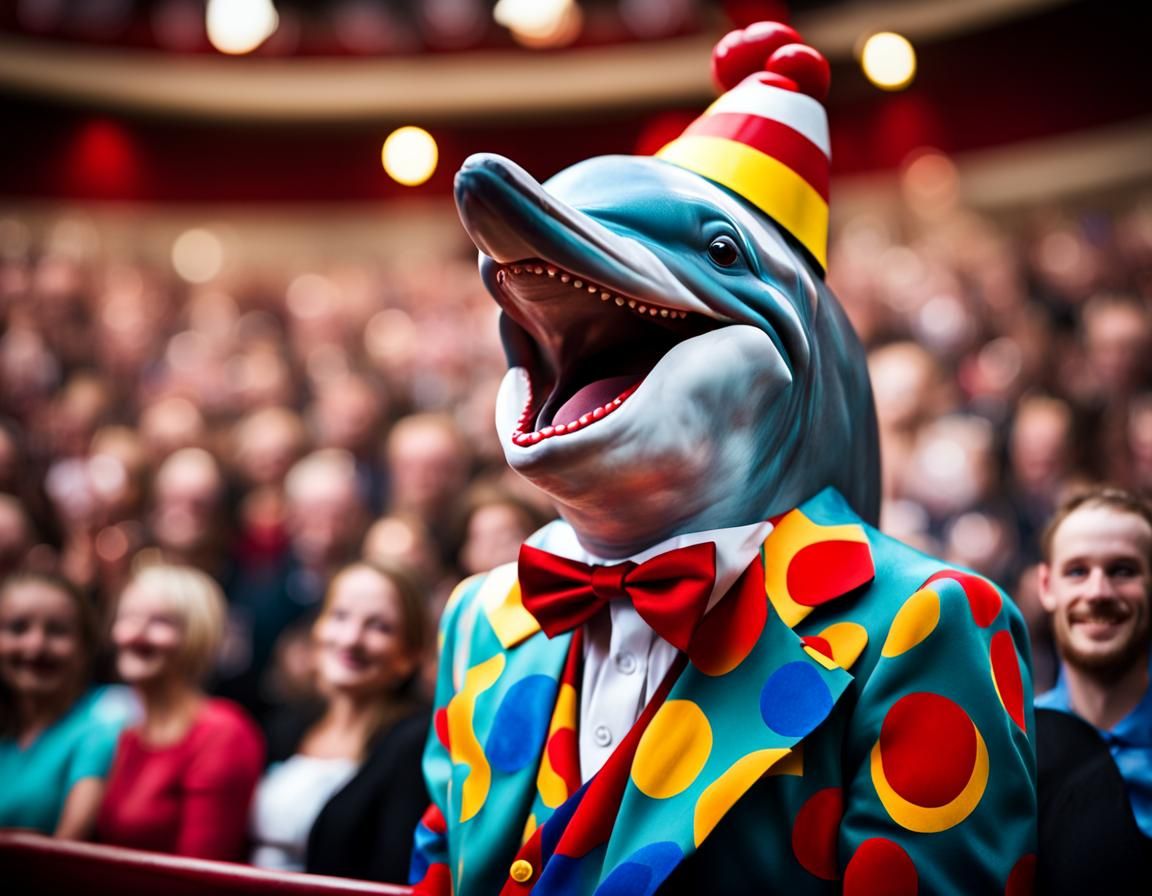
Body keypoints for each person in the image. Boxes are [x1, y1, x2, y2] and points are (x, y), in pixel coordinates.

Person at [250, 560, 430, 882]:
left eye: (379, 627)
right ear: (317, 629)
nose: (351, 639)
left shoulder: (414, 743)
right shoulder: (287, 725)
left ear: (410, 655)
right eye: (340, 616)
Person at [96, 563, 264, 860]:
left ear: (196, 636)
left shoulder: (221, 734)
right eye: (128, 617)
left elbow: (200, 876)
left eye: (160, 622)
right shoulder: (123, 733)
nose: (136, 633)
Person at [1034, 487, 1152, 889]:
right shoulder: (1013, 747)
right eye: (1077, 571)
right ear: (1047, 587)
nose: (1098, 592)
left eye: (1123, 570)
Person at [0, 572, 135, 838]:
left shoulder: (108, 715)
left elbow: (67, 848)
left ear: (86, 646)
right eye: (17, 628)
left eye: (57, 631)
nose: (35, 646)